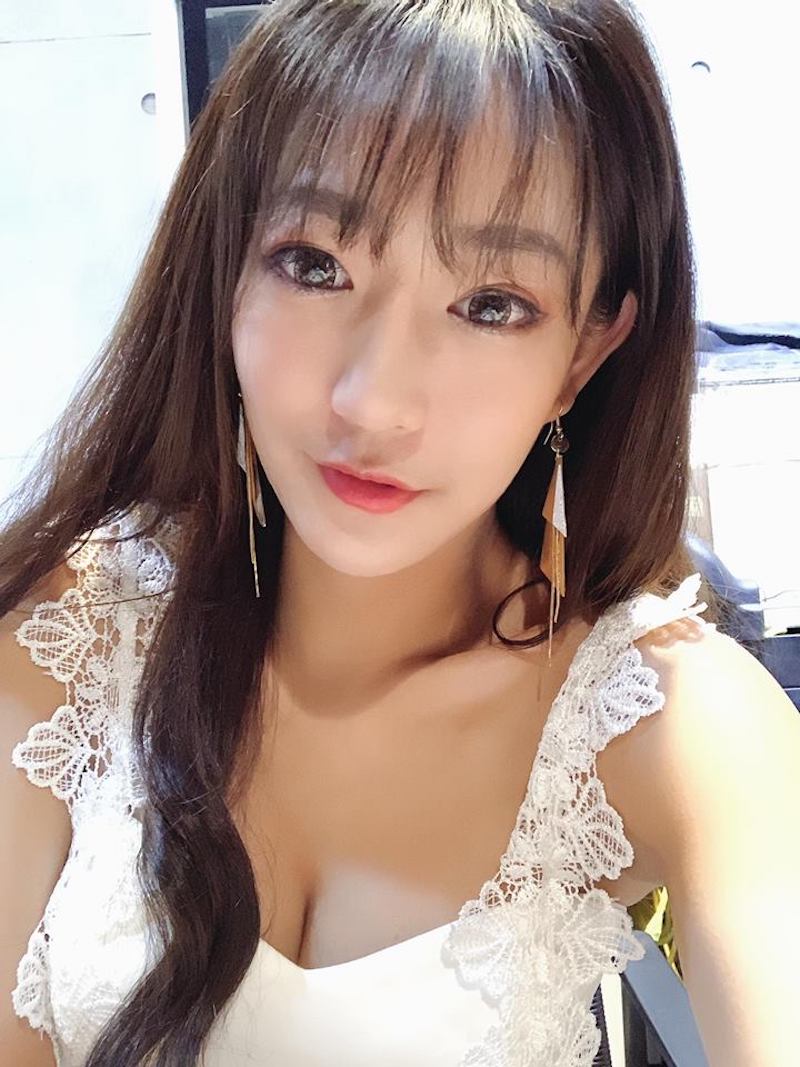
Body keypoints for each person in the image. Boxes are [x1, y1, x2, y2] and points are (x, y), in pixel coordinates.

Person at [1, 1, 798, 1064]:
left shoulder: (674, 727)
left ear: (584, 351)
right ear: (224, 269)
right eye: (313, 263)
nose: (373, 402)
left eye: (492, 304)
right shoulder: (65, 643)